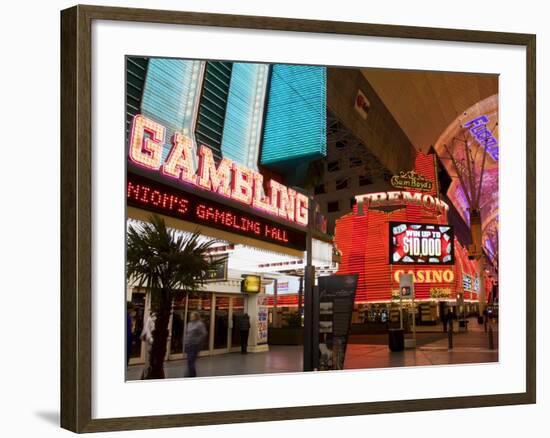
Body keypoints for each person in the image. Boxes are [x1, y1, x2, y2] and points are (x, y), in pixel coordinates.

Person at [183, 311, 207, 377]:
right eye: (191, 316)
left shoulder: (199, 324)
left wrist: (197, 341)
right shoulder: (189, 324)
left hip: (194, 346)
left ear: (196, 317)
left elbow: (204, 334)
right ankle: (191, 374)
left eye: (192, 316)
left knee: (191, 361)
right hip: (189, 345)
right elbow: (187, 334)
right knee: (189, 361)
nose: (191, 317)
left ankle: (192, 375)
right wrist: (185, 342)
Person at [139, 311, 156, 379]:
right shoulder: (150, 319)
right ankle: (146, 376)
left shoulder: (154, 319)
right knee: (148, 361)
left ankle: (148, 375)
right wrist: (151, 339)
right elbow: (147, 330)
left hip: (153, 342)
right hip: (150, 342)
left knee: (151, 361)